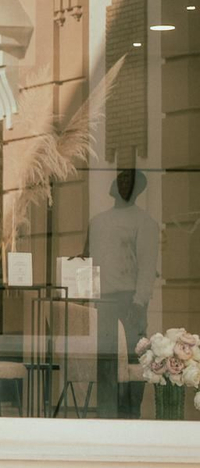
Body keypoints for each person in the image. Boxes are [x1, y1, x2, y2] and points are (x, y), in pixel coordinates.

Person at [86, 168, 159, 419]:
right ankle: (107, 413)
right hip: (101, 300)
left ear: (138, 189)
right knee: (105, 359)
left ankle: (130, 414)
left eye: (129, 180)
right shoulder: (97, 222)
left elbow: (148, 266)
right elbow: (87, 260)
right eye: (120, 178)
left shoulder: (144, 222)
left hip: (130, 299)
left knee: (133, 358)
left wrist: (139, 302)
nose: (122, 183)